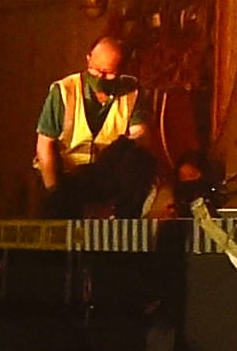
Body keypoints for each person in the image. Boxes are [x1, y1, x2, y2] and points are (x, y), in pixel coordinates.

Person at [34, 30, 161, 218]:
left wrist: (124, 145)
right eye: (95, 70)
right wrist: (54, 191)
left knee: (140, 161)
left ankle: (124, 224)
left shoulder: (132, 91)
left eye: (108, 73)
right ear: (88, 59)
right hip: (68, 175)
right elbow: (44, 145)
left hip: (105, 172)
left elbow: (142, 134)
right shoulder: (63, 91)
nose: (100, 77)